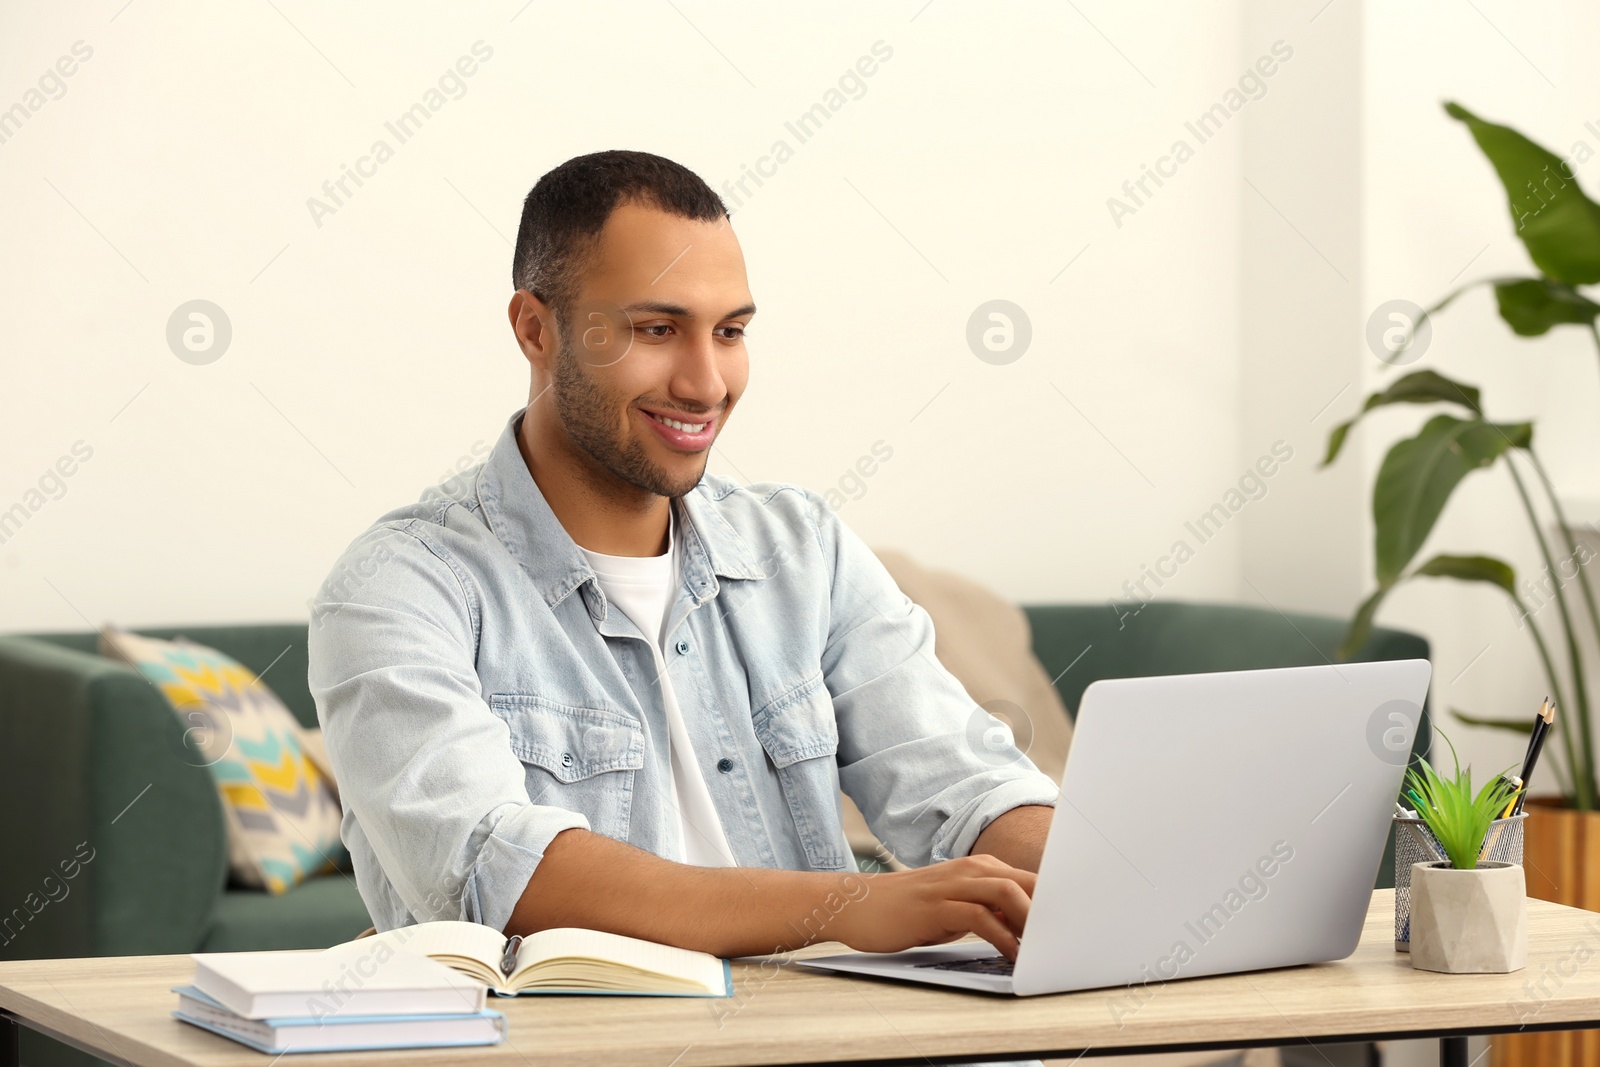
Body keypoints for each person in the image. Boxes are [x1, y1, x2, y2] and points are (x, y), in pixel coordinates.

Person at [308, 149, 1060, 966]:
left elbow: (969, 790)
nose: (707, 383)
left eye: (730, 332)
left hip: (834, 1039)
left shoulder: (803, 549)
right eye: (657, 329)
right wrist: (850, 906)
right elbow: (502, 872)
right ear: (536, 327)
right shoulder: (398, 588)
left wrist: (1116, 873)